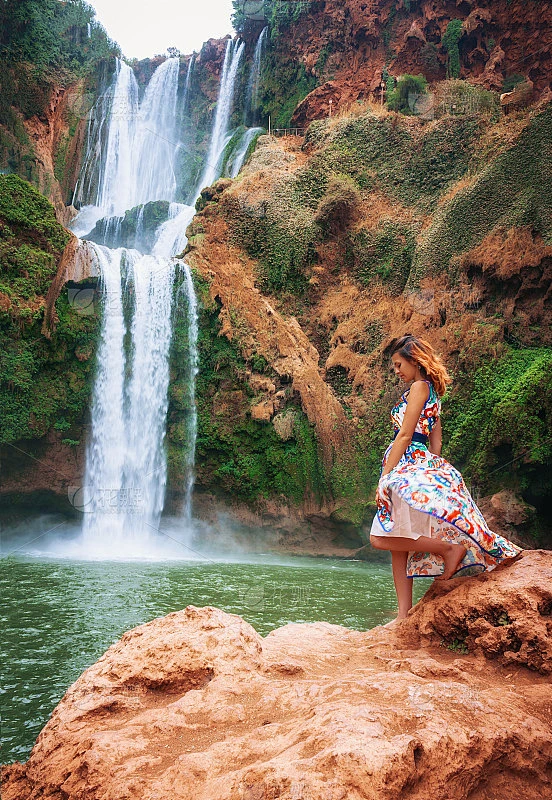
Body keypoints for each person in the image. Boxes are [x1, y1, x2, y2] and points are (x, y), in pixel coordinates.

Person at [370, 334, 522, 622]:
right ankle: (403, 614)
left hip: (405, 463)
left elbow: (404, 434)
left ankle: (448, 548)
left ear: (415, 361)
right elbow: (435, 444)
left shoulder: (419, 387)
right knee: (397, 539)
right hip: (413, 462)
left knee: (380, 538)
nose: (397, 371)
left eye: (399, 364)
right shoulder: (433, 394)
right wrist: (429, 470)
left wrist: (386, 476)